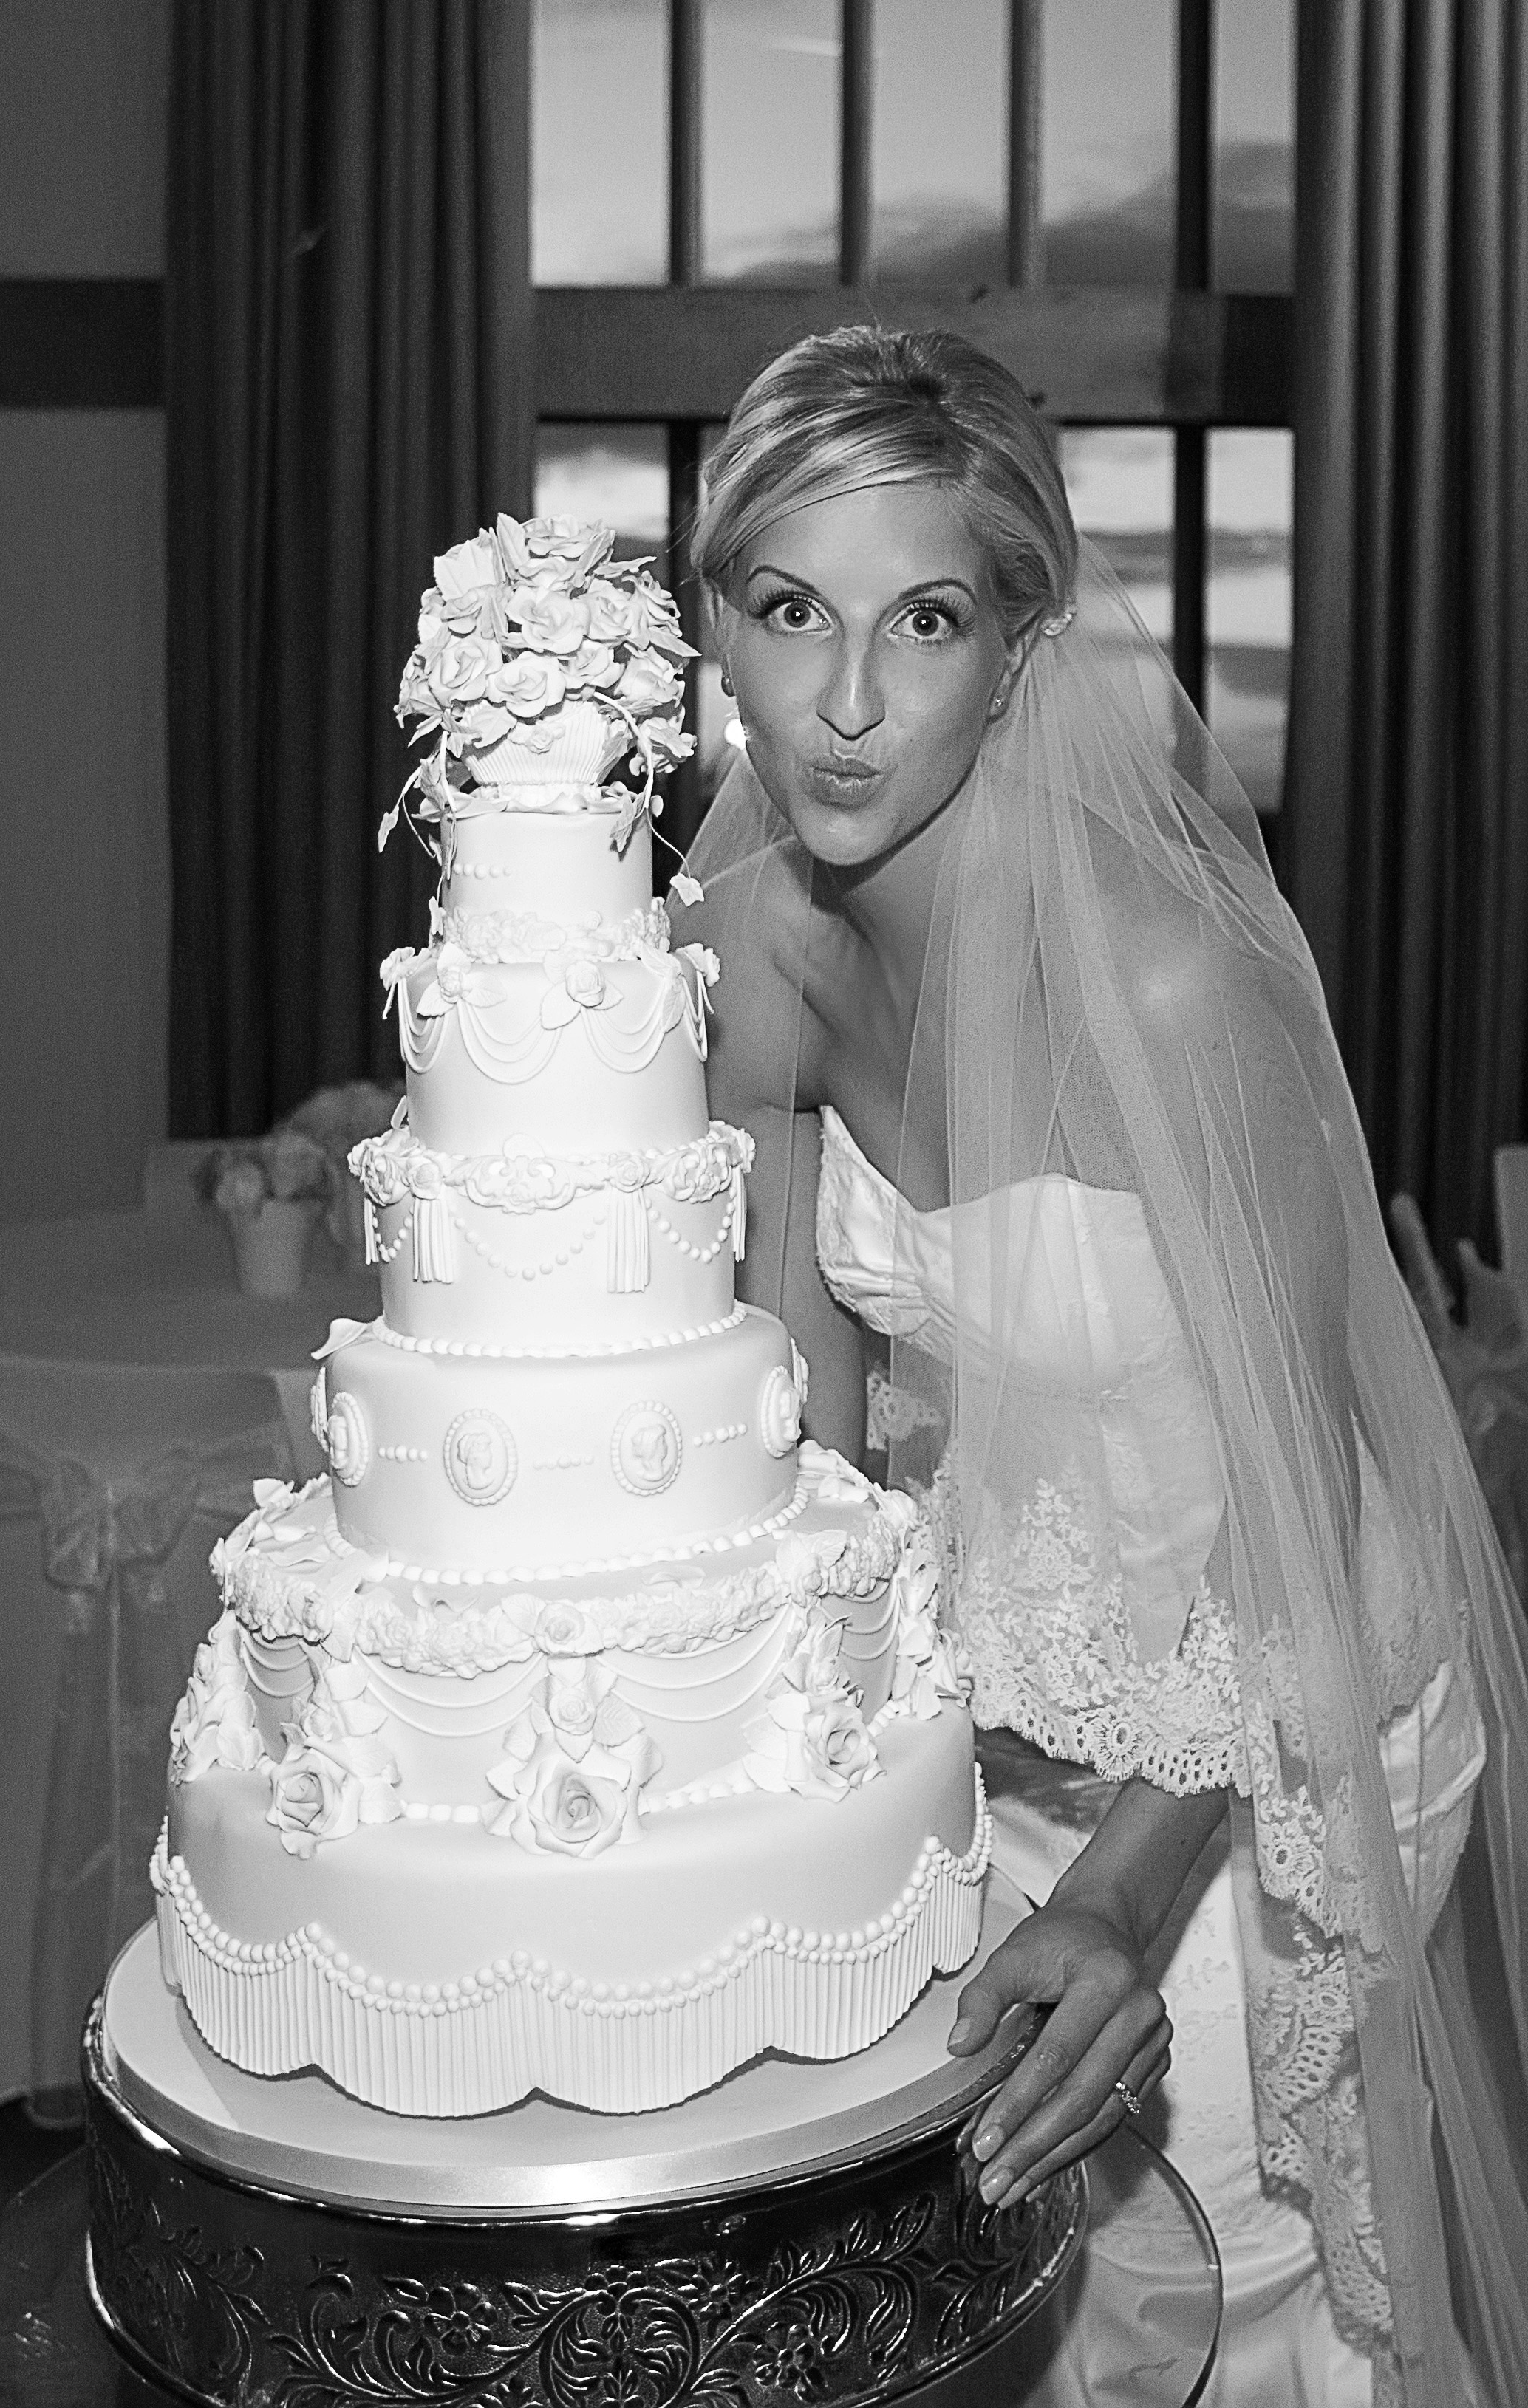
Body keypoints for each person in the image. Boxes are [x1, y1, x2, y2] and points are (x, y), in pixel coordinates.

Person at [675, 324, 1528, 2407]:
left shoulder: (1169, 981)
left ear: (1019, 640)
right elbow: (817, 1470)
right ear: (716, 623)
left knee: (1240, 2275)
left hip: (1273, 1715)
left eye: (926, 619)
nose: (849, 703)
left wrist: (1138, 1901)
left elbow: (1305, 1523)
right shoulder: (761, 943)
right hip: (1012, 1712)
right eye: (791, 611)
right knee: (1007, 2288)